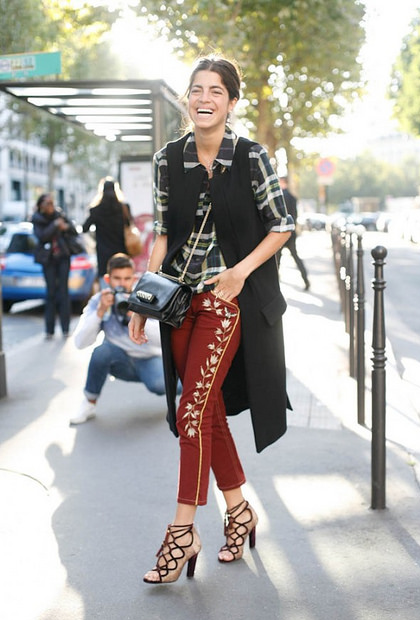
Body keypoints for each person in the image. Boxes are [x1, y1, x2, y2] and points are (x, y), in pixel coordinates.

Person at [129, 55, 295, 584]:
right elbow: (161, 235)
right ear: (187, 99)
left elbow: (282, 225)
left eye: (216, 91)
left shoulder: (250, 157)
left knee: (191, 413)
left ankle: (183, 530)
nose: (204, 98)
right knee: (208, 411)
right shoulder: (167, 159)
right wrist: (142, 301)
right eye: (197, 89)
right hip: (178, 302)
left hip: (225, 302)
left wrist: (240, 273)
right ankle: (239, 510)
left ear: (231, 102)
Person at [70, 253, 165, 425]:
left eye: (127, 278)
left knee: (160, 385)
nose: (122, 284)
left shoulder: (145, 298)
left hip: (149, 359)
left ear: (134, 278)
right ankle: (89, 403)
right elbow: (80, 343)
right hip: (119, 359)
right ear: (108, 279)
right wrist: (100, 312)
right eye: (117, 279)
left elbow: (162, 340)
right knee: (101, 352)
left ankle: (186, 388)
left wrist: (135, 314)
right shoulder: (99, 300)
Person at [32, 193, 77, 339]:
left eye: (52, 202)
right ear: (41, 205)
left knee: (64, 292)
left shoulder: (60, 215)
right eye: (47, 203)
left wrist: (65, 226)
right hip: (48, 259)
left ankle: (65, 329)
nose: (50, 206)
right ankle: (49, 330)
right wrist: (55, 225)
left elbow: (74, 231)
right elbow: (42, 236)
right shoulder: (37, 219)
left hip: (63, 257)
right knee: (50, 293)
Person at [82, 177, 130, 279]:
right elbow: (129, 224)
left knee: (105, 279)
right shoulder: (124, 208)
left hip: (103, 253)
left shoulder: (95, 210)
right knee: (122, 278)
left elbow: (85, 228)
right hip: (121, 251)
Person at [278, 176, 310, 290]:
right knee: (296, 257)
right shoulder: (292, 197)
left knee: (277, 260)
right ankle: (306, 280)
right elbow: (295, 216)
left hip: (280, 233)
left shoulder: (279, 196)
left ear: (282, 182)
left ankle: (274, 284)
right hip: (291, 232)